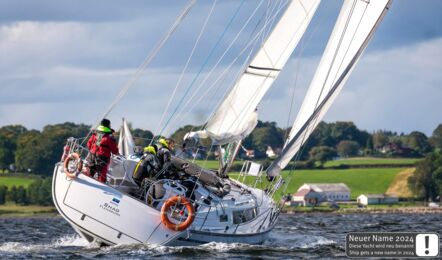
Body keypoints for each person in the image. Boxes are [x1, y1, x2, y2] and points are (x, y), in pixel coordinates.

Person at [86, 119, 119, 183]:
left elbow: (89, 144)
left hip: (92, 155)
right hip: (102, 158)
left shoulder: (95, 134)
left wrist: (93, 150)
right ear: (108, 126)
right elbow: (115, 151)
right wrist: (118, 153)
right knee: (102, 177)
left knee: (88, 173)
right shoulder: (109, 137)